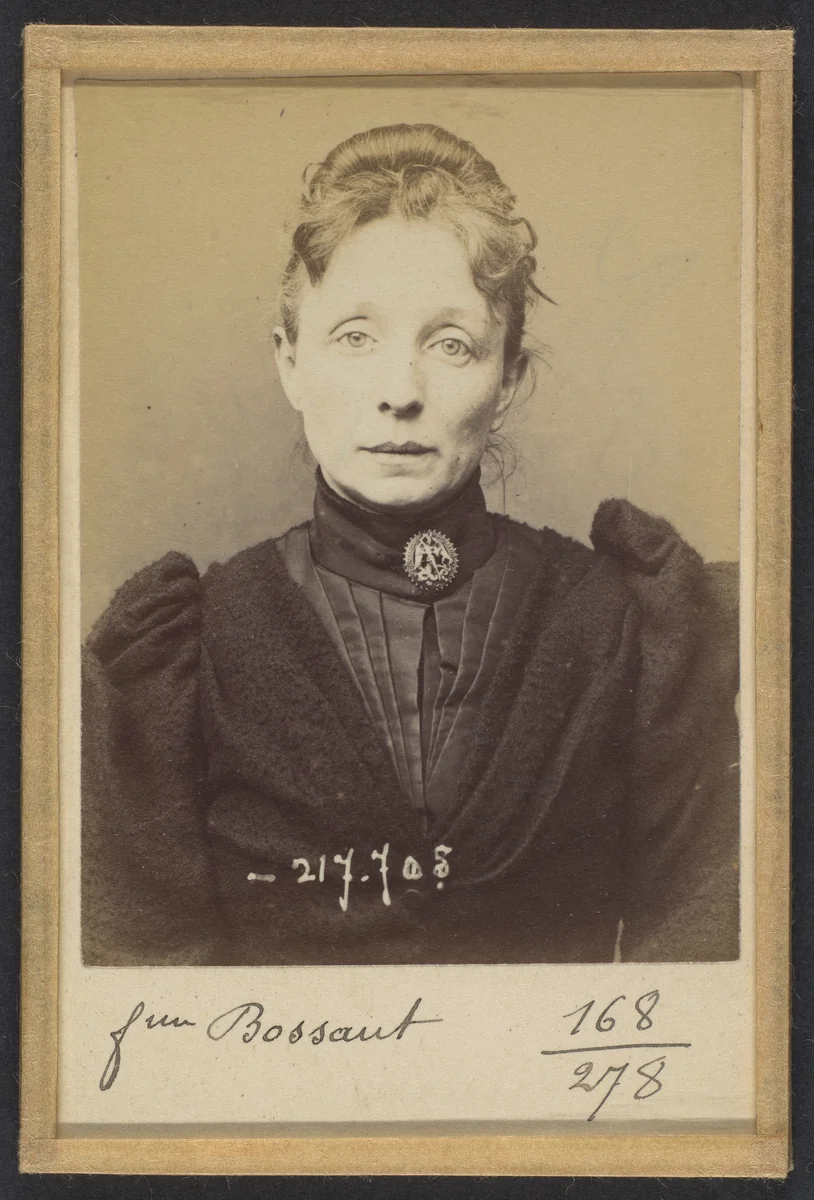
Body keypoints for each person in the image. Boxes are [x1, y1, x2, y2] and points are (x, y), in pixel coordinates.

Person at [82, 123, 740, 968]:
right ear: (290, 363)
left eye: (452, 344)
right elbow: (143, 1005)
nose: (400, 393)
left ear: (508, 378)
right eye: (354, 337)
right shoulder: (180, 652)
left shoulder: (627, 624)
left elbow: (703, 983)